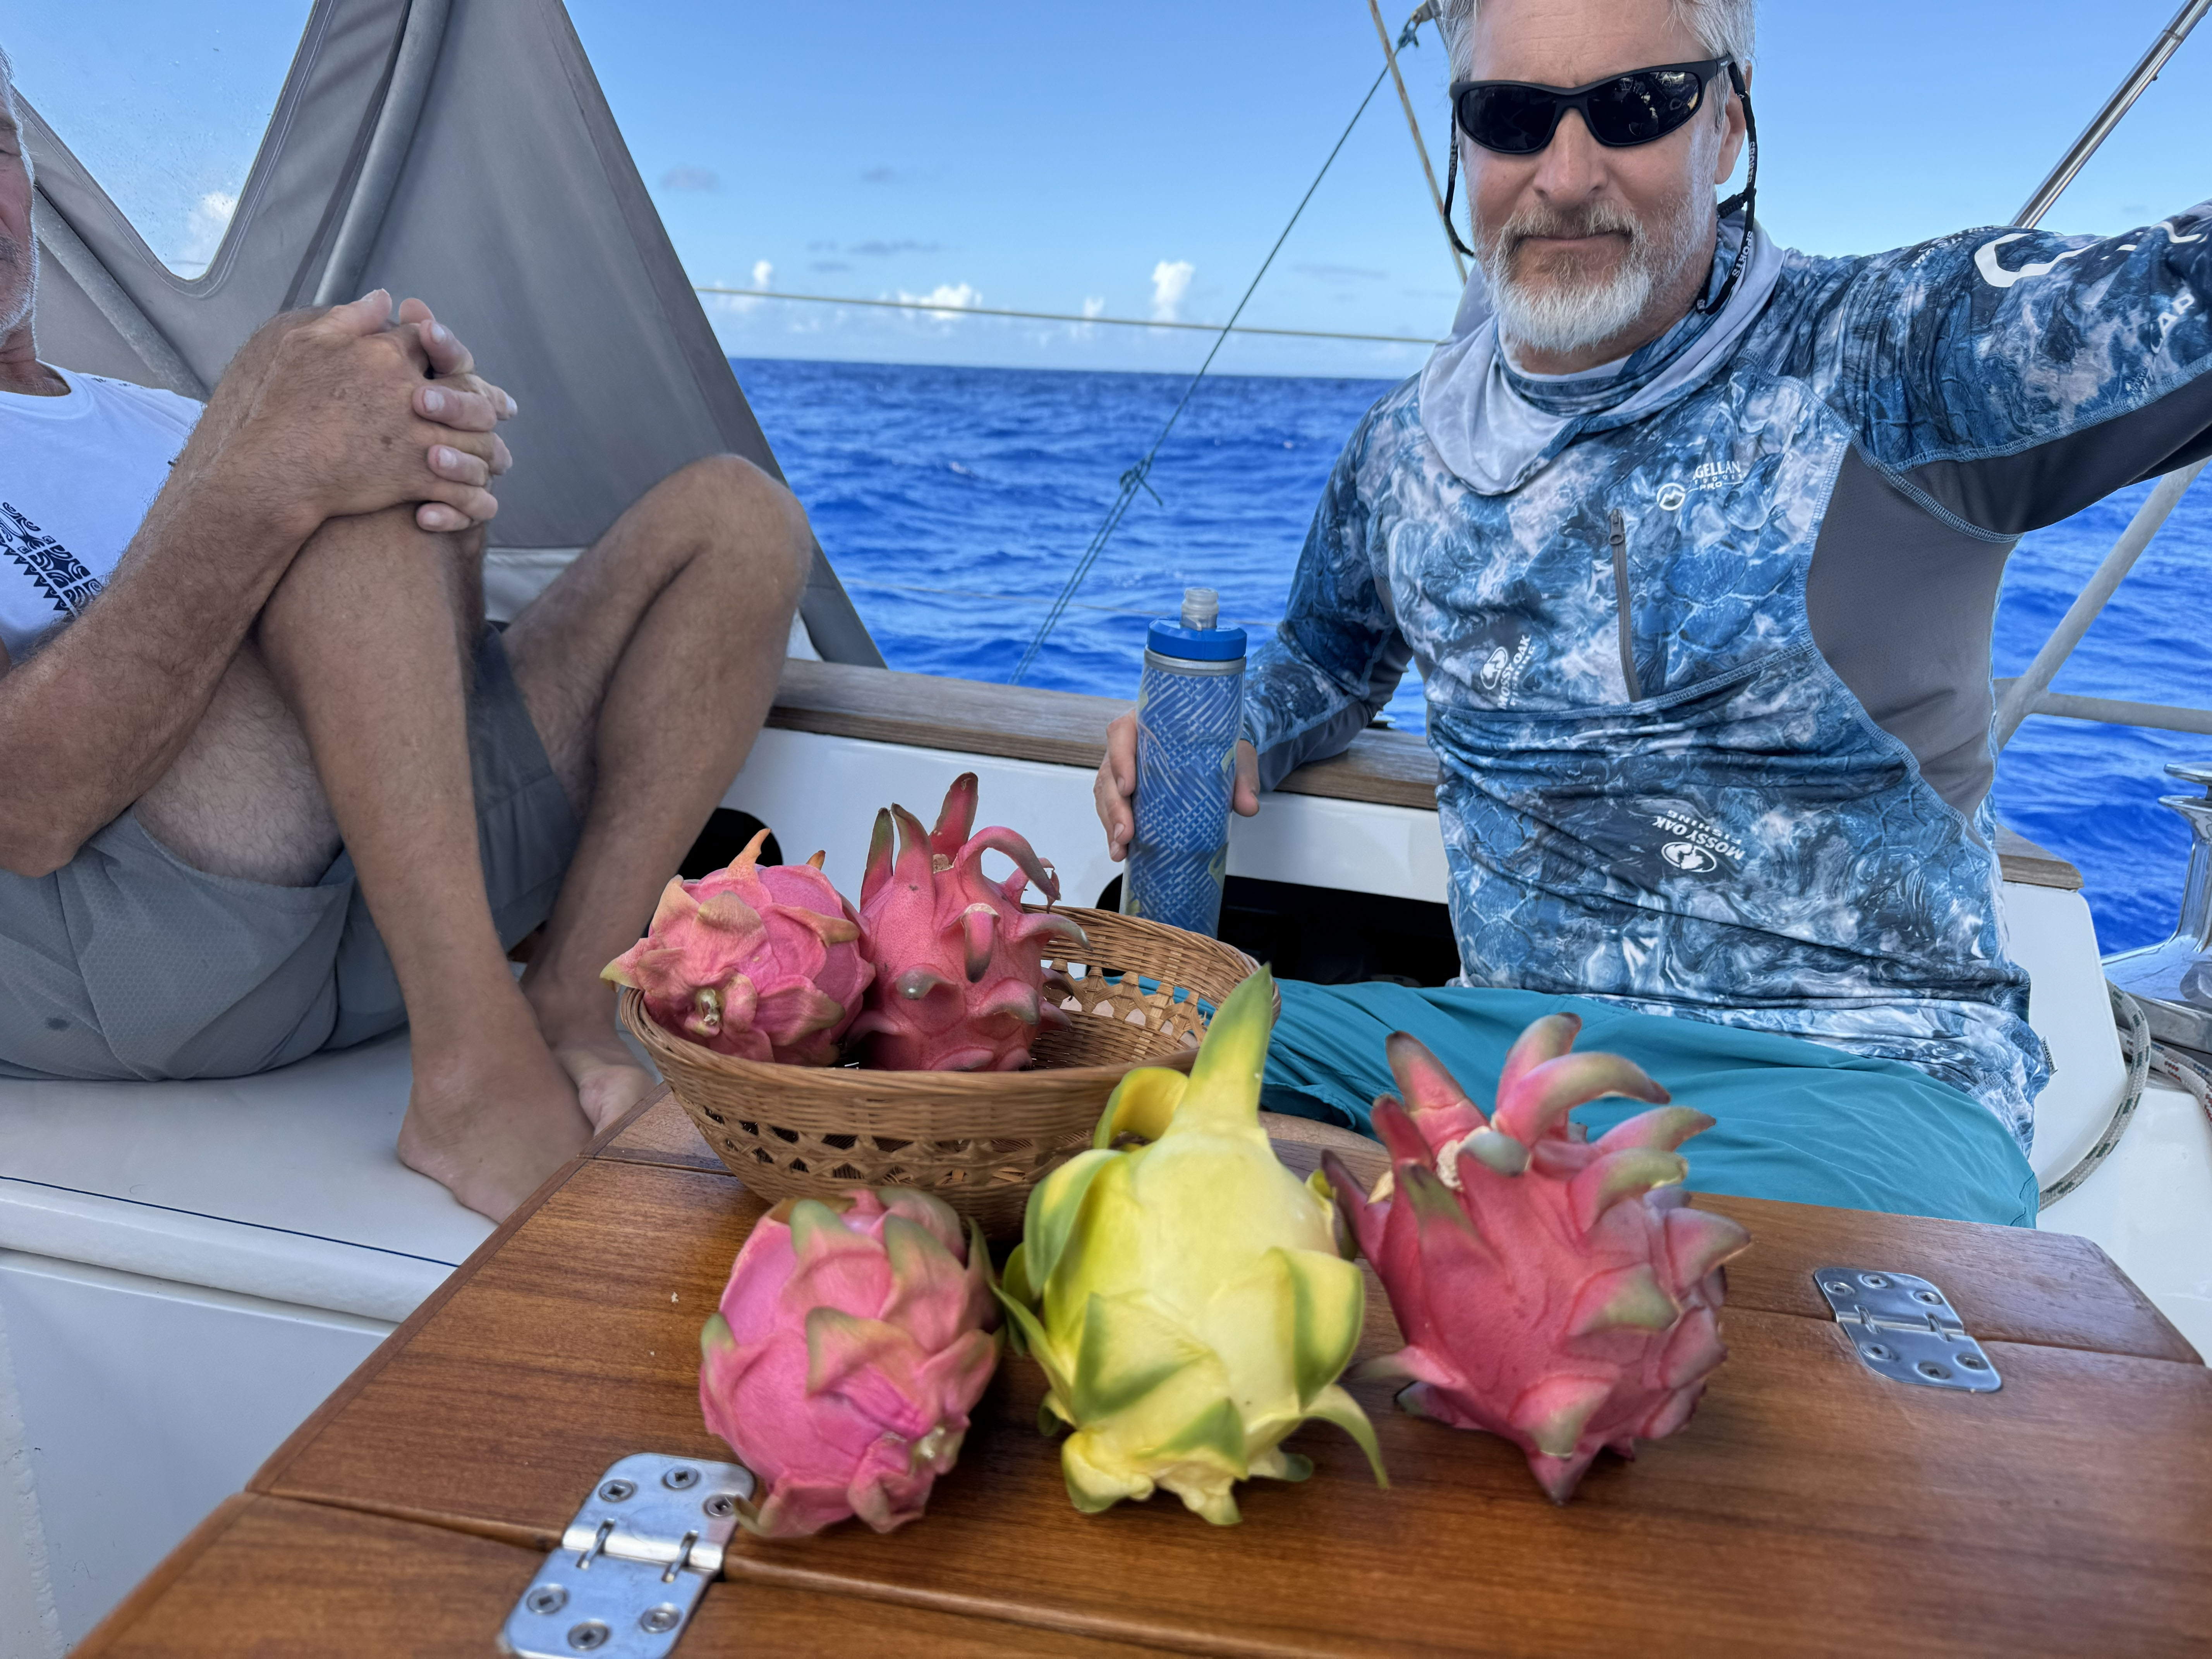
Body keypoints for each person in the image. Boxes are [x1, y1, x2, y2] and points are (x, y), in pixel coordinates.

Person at [1097, 0, 2212, 1228]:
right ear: (1467, 139)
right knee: (1105, 1044)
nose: (1566, 174)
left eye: (1636, 108)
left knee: (1645, 1273)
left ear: (1726, 124)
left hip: (1863, 1083)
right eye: (1512, 117)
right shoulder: (1401, 450)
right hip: (1512, 1054)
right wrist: (1242, 722)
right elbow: (1327, 657)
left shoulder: (1890, 352)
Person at [0, 62, 812, 1220]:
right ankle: (472, 1069)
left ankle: (567, 1004)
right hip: (132, 950)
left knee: (738, 520)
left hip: (371, 897)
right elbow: (25, 814)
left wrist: (440, 486)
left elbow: (395, 653)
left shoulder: (159, 417)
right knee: (313, 395)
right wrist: (282, 481)